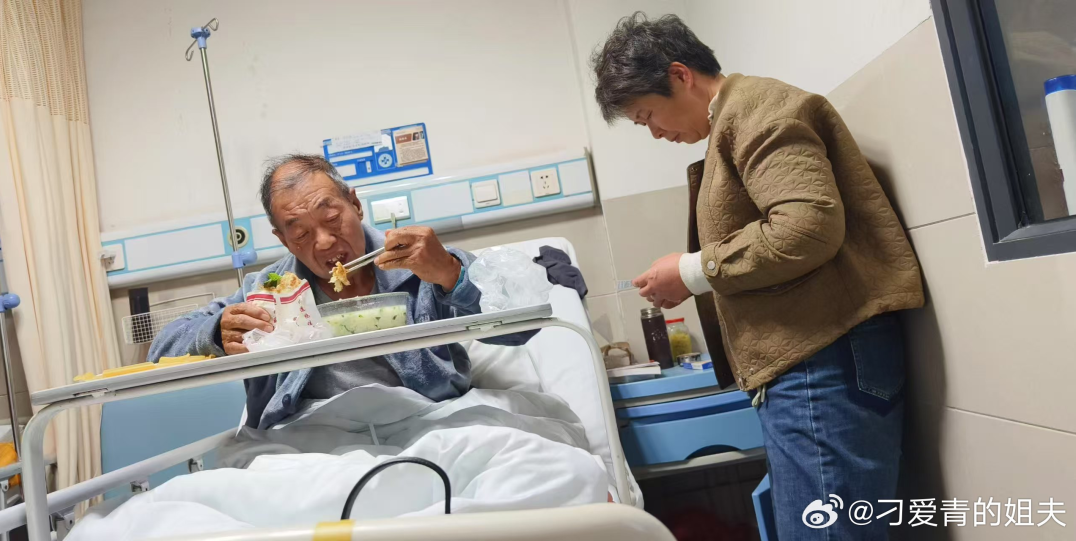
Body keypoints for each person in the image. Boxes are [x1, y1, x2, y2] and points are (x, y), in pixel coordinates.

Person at [591, 13, 924, 540]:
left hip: (821, 358)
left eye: (647, 115)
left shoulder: (758, 111)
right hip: (815, 356)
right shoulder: (735, 121)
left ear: (680, 75)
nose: (654, 132)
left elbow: (806, 228)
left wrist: (691, 271)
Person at [148, 154, 534, 429]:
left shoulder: (421, 264)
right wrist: (216, 333)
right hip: (314, 439)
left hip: (428, 420)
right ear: (283, 240)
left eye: (332, 219)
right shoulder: (266, 290)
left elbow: (521, 329)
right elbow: (161, 349)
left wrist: (452, 273)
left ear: (355, 205)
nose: (324, 241)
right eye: (301, 233)